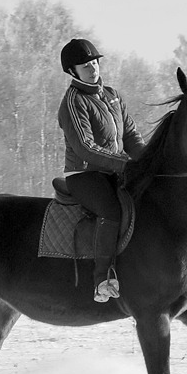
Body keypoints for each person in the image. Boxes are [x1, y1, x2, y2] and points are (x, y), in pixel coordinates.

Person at [58, 38, 145, 303]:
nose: (93, 68)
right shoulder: (73, 102)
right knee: (112, 211)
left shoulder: (113, 96)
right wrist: (126, 164)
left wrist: (149, 162)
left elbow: (130, 135)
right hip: (85, 175)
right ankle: (102, 280)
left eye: (94, 62)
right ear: (73, 72)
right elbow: (85, 147)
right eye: (85, 66)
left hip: (116, 171)